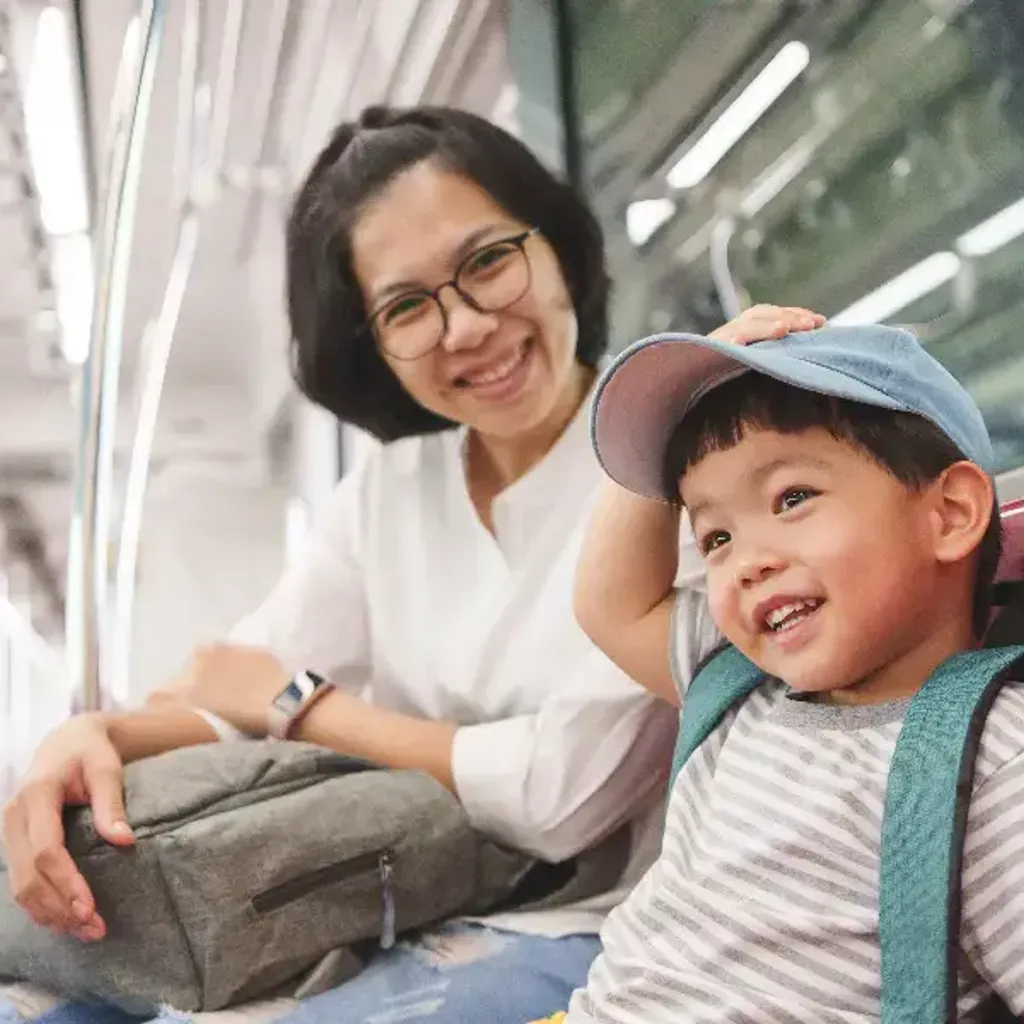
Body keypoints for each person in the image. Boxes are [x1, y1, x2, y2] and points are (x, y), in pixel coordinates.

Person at [0, 102, 820, 1024]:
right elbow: (227, 690)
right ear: (373, 346)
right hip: (397, 894)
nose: (466, 327)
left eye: (486, 262)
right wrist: (92, 741)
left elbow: (562, 797)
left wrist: (304, 706)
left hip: (598, 924)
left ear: (556, 249)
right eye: (406, 306)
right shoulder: (388, 494)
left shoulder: (670, 454)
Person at [562, 322, 1024, 1022]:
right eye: (715, 536)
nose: (749, 560)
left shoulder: (992, 766)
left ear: (951, 513)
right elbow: (608, 602)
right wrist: (719, 346)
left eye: (792, 499)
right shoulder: (734, 684)